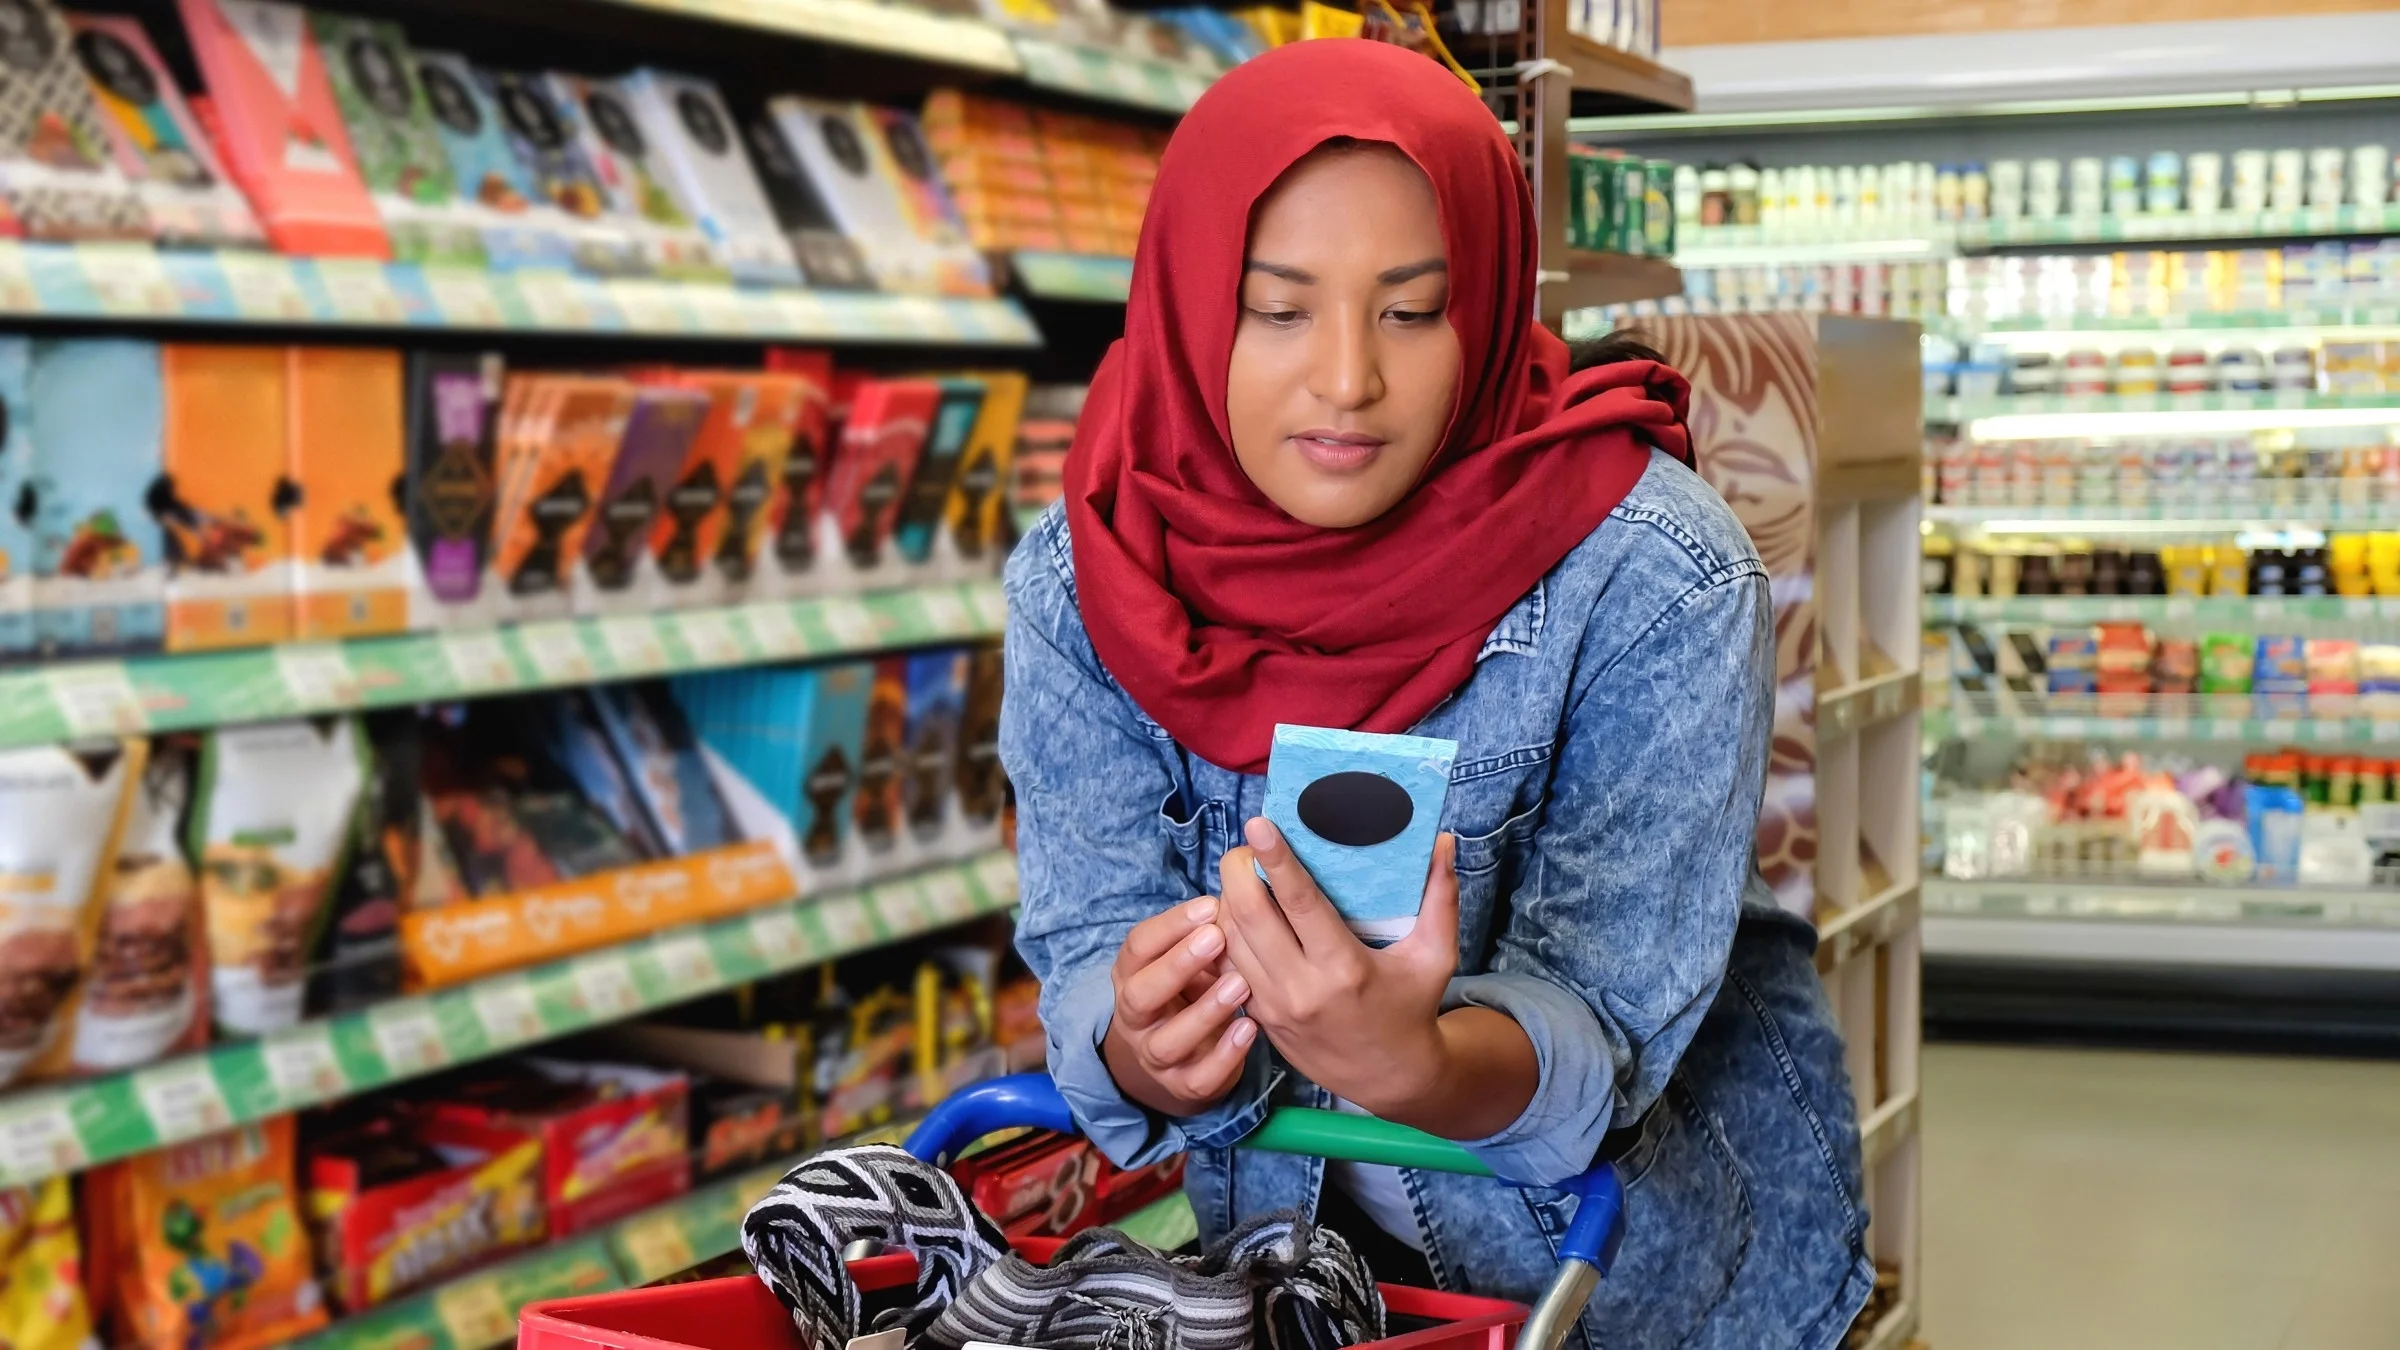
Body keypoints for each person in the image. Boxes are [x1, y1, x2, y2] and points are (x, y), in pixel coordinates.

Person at [1000, 37, 1873, 1349]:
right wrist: (1137, 1042)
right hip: (1288, 1270)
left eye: (1411, 310)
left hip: (1631, 1283)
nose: (1347, 376)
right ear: (1186, 300)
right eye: (1279, 307)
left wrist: (1420, 1065)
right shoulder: (1095, 564)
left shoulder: (1655, 578)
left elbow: (1613, 1028)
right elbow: (1087, 939)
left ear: (1488, 295)